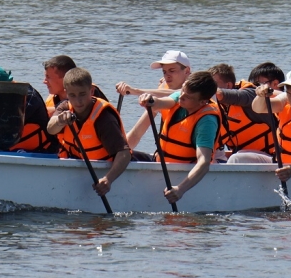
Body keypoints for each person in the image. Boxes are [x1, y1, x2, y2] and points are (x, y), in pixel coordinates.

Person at [138, 71, 220, 205]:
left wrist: (180, 189)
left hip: (183, 170)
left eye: (187, 96)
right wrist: (150, 100)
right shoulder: (181, 96)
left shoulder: (207, 121)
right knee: (126, 155)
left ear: (202, 101)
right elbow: (162, 102)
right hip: (161, 162)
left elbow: (204, 162)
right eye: (182, 91)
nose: (181, 96)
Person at [46, 68, 131, 197]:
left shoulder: (103, 118)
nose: (78, 101)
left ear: (91, 91)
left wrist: (108, 179)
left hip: (105, 168)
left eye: (82, 94)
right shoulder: (65, 107)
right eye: (72, 95)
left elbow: (124, 153)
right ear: (66, 93)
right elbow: (50, 129)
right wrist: (60, 121)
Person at [117, 50, 192, 148]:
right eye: (164, 72)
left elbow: (179, 94)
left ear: (186, 71)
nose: (167, 76)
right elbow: (136, 134)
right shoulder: (162, 92)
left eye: (172, 71)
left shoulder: (201, 91)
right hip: (167, 157)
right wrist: (119, 152)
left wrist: (134, 91)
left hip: (199, 159)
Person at [211, 62, 285, 162]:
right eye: (255, 84)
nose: (257, 88)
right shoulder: (221, 108)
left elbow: (222, 94)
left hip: (273, 157)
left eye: (258, 85)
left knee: (236, 158)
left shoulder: (251, 94)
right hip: (249, 158)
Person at [0, 65, 58, 154]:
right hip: (9, 150)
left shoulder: (28, 97)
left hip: (41, 151)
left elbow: (8, 123)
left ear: (4, 85)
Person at [42, 55, 108, 113]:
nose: (44, 81)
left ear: (65, 77)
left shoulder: (89, 92)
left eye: (48, 77)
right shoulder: (53, 98)